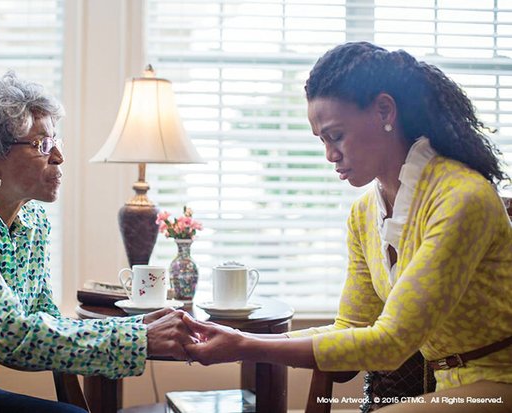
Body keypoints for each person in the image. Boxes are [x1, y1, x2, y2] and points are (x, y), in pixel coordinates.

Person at [183, 41, 512, 412]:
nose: (329, 154)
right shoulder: (363, 214)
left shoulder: (461, 197)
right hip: (443, 386)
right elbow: (351, 327)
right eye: (322, 140)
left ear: (384, 110)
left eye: (336, 135)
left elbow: (391, 343)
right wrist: (239, 337)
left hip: (499, 380)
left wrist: (245, 346)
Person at [0, 72, 195, 413]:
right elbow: (10, 336)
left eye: (55, 140)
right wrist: (137, 340)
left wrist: (136, 325)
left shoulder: (33, 220)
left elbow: (42, 315)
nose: (59, 156)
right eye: (41, 145)